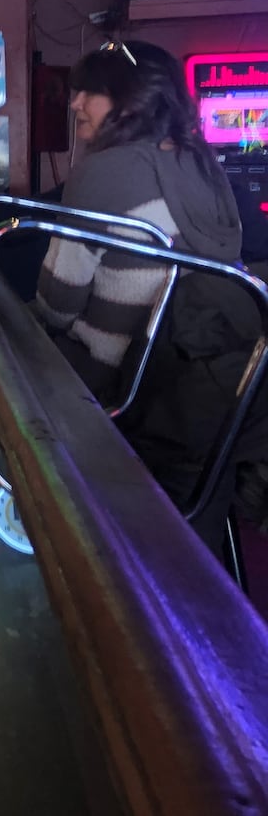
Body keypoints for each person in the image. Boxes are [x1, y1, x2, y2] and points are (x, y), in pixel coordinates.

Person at [34, 41, 256, 551]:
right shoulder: (203, 164)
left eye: (88, 92)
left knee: (8, 365)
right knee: (192, 549)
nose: (74, 104)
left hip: (130, 390)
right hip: (219, 393)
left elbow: (57, 304)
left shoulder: (103, 171)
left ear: (129, 99)